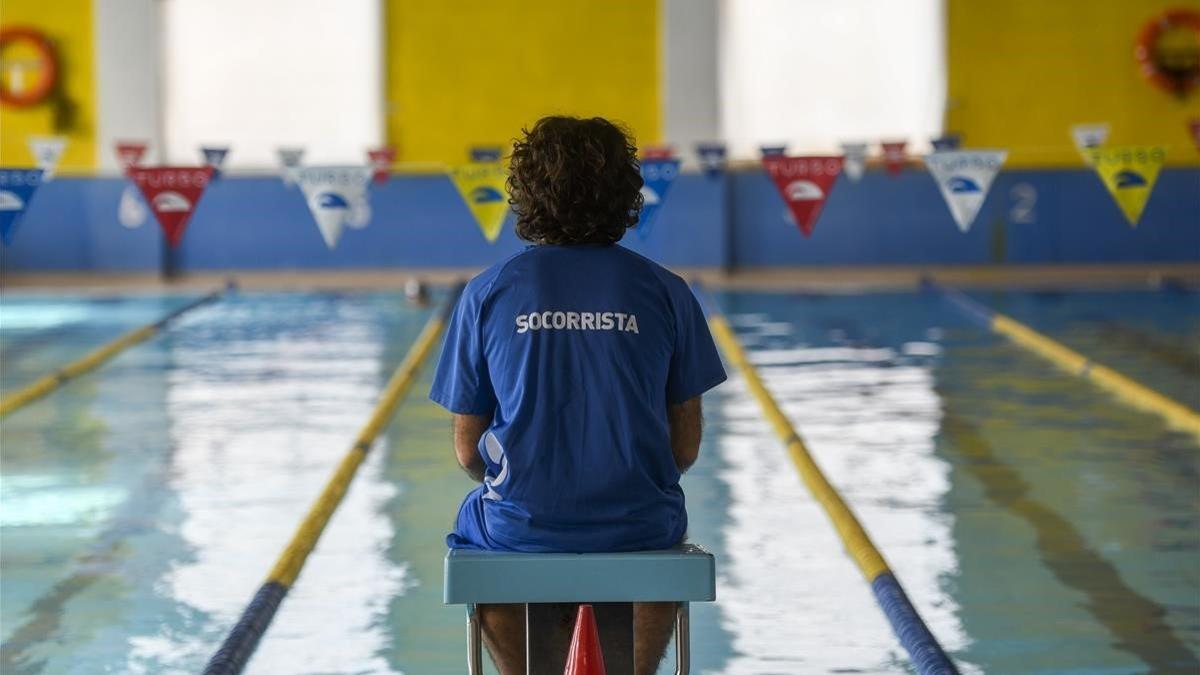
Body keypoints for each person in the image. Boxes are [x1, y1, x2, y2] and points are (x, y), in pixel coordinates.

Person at [429, 116, 726, 675]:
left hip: (520, 524)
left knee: (478, 531)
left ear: (525, 194)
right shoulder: (668, 292)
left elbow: (469, 454)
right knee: (661, 519)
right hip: (639, 522)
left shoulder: (487, 293)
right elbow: (683, 449)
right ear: (628, 193)